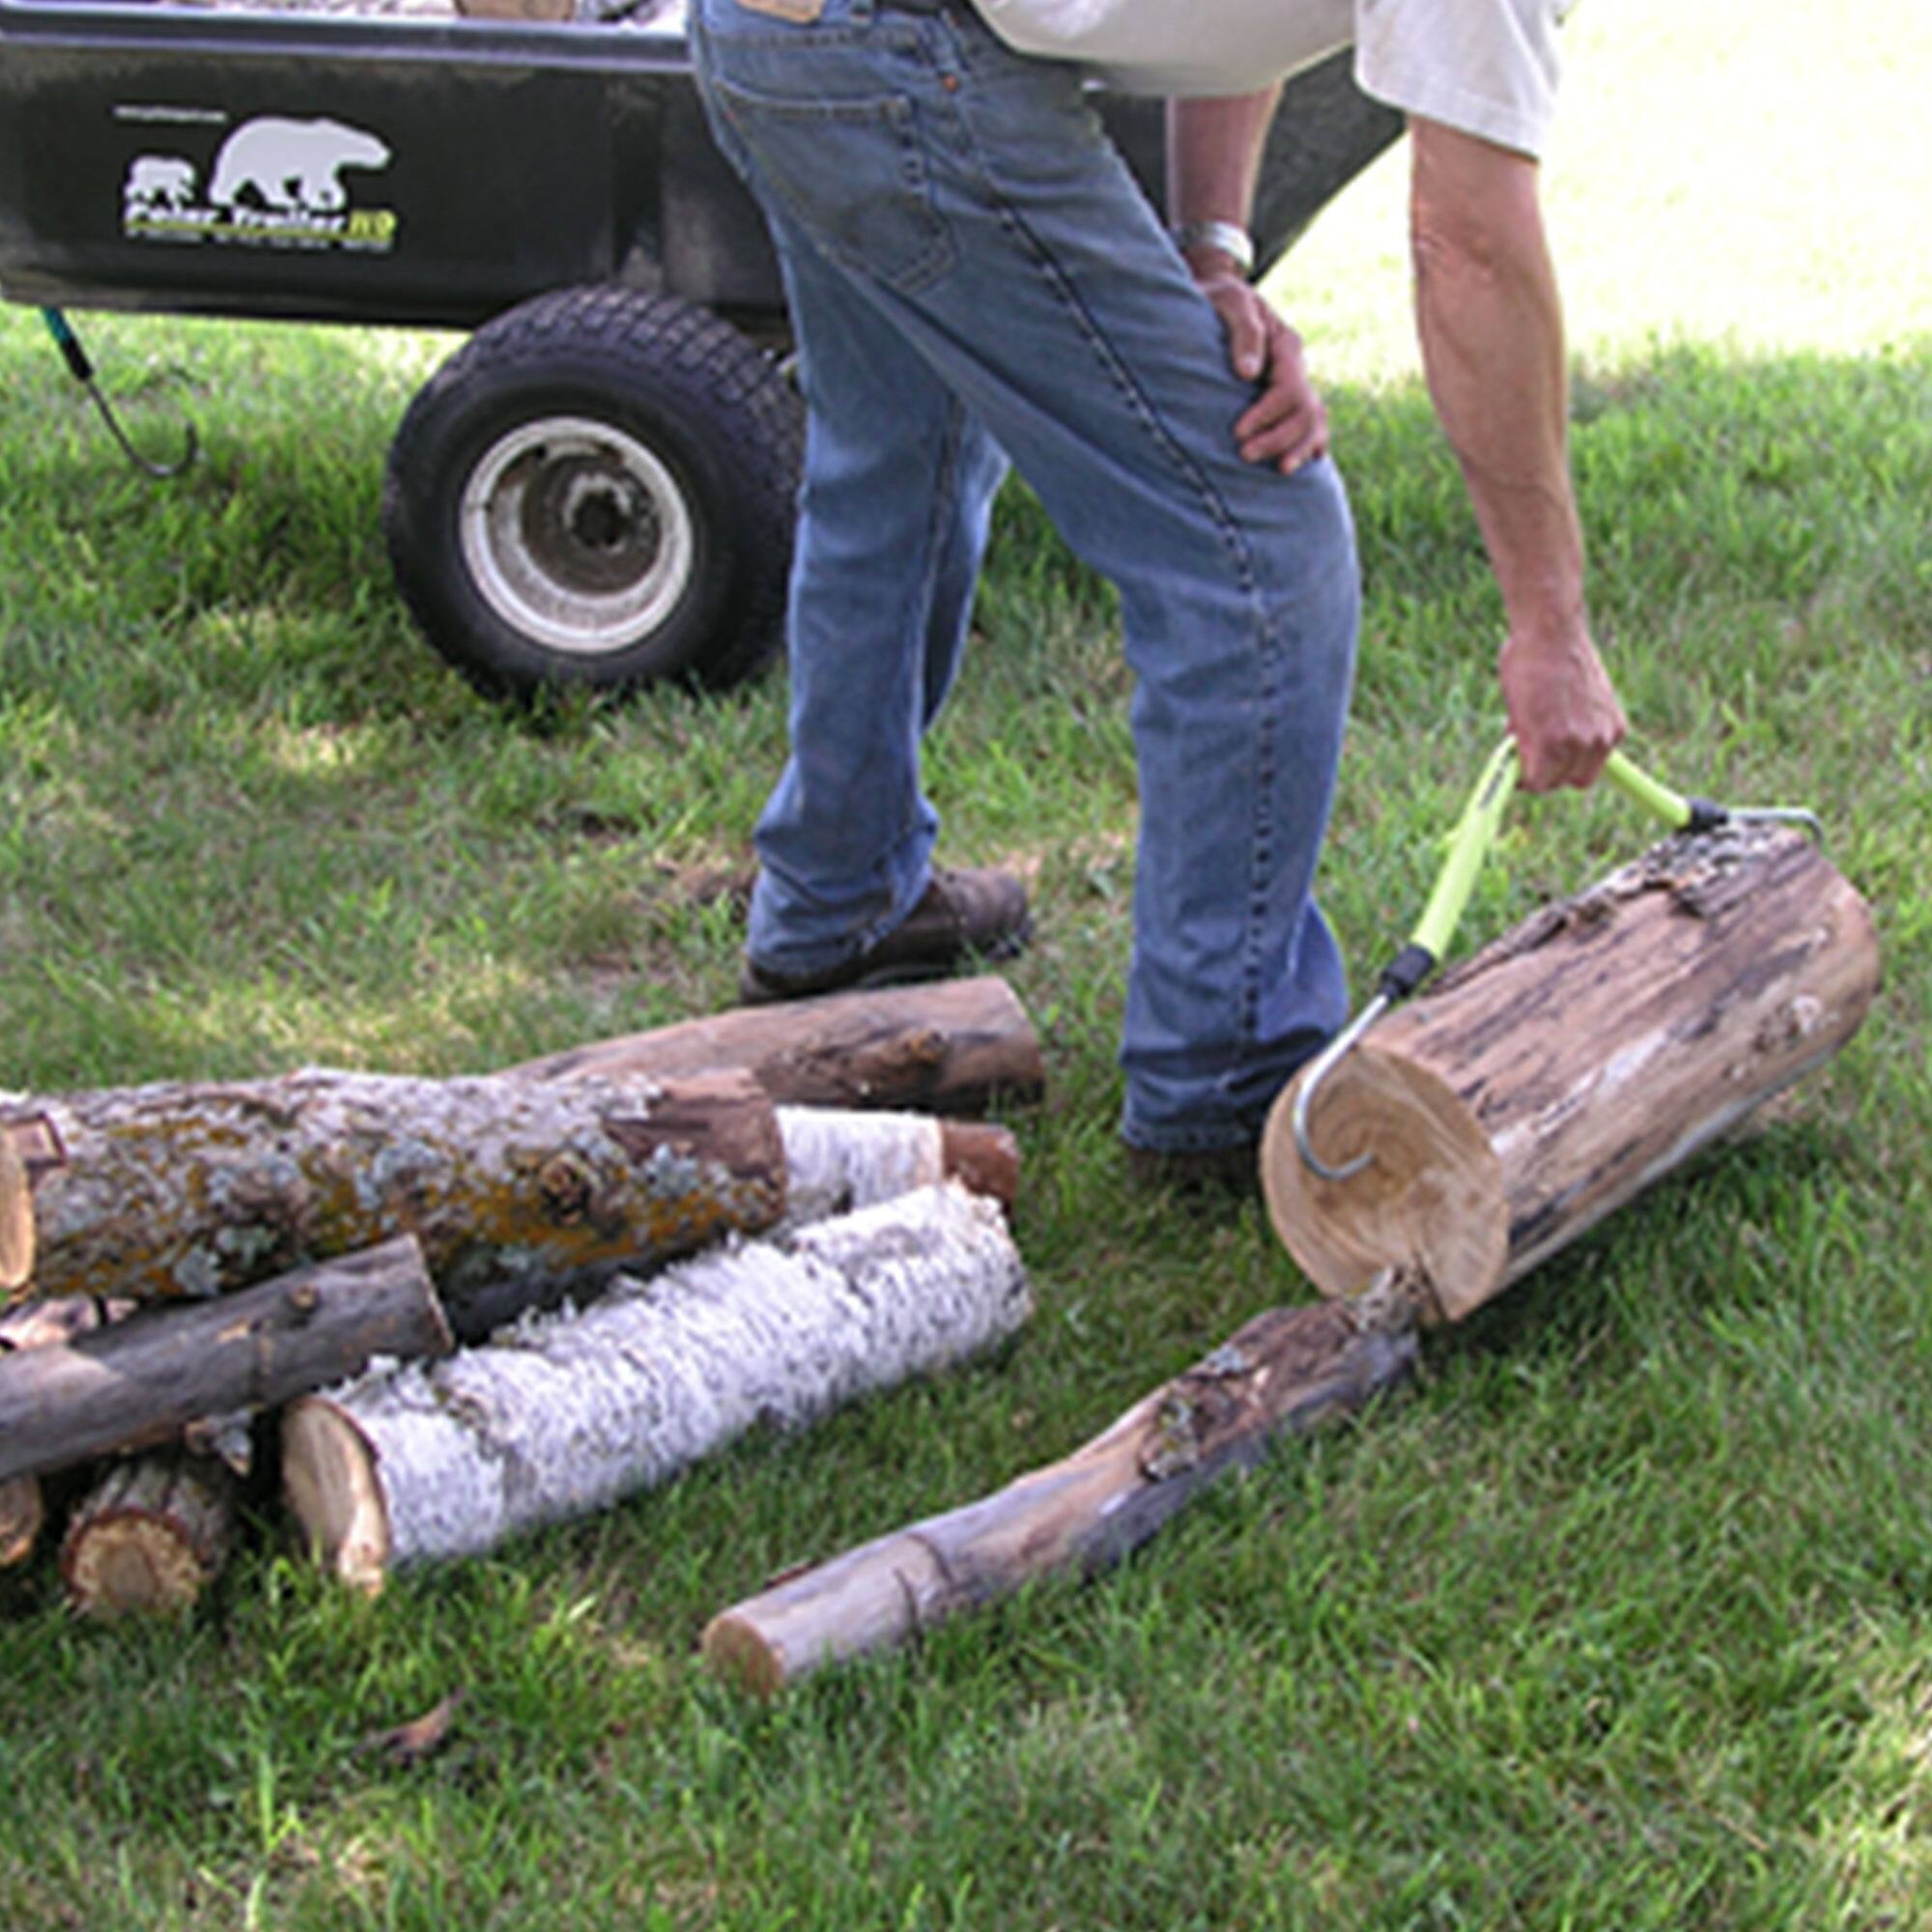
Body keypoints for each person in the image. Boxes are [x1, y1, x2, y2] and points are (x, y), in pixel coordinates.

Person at [689, 0, 1626, 1185]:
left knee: (899, 449)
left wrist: (1209, 255)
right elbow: (1471, 248)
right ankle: (1224, 1073)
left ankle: (839, 901)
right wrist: (1548, 625)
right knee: (1252, 541)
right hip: (893, 58)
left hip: (776, 34)